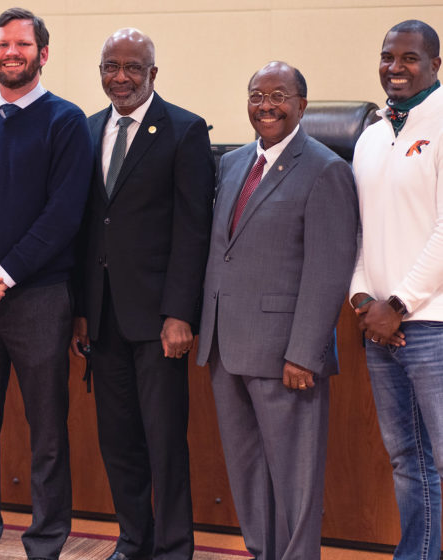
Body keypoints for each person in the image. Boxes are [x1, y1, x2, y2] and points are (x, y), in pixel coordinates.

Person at [0, 8, 92, 560]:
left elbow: (64, 215)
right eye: (2, 43)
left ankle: (45, 544)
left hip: (39, 298)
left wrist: (3, 275)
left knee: (47, 432)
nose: (12, 52)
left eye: (23, 44)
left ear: (42, 54)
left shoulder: (66, 121)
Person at [196, 62, 358, 560]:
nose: (266, 105)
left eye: (279, 96)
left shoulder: (327, 169)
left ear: (302, 105)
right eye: (256, 95)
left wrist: (305, 353)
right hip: (226, 347)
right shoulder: (233, 163)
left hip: (286, 354)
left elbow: (329, 270)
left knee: (294, 480)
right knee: (247, 475)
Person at [70, 28, 214, 560]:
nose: (121, 77)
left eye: (133, 67)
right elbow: (86, 227)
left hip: (159, 321)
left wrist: (180, 313)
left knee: (165, 444)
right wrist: (82, 312)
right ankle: (134, 541)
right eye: (111, 66)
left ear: (153, 73)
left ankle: (175, 548)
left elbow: (193, 229)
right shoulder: (85, 131)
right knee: (119, 442)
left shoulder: (184, 130)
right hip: (103, 319)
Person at [350, 20, 443, 560]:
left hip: (430, 324)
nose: (395, 67)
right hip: (380, 329)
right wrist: (363, 299)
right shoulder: (370, 134)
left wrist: (401, 303)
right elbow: (360, 229)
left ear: (435, 64)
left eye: (410, 58)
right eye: (388, 57)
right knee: (407, 458)